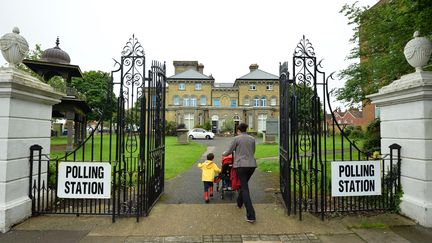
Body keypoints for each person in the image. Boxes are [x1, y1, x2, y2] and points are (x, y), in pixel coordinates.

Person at [222, 123, 256, 223]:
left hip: (241, 166)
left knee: (244, 188)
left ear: (238, 130)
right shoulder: (252, 139)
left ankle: (251, 215)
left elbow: (228, 151)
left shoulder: (237, 138)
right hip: (252, 165)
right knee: (243, 185)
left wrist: (223, 153)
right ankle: (239, 202)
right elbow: (253, 152)